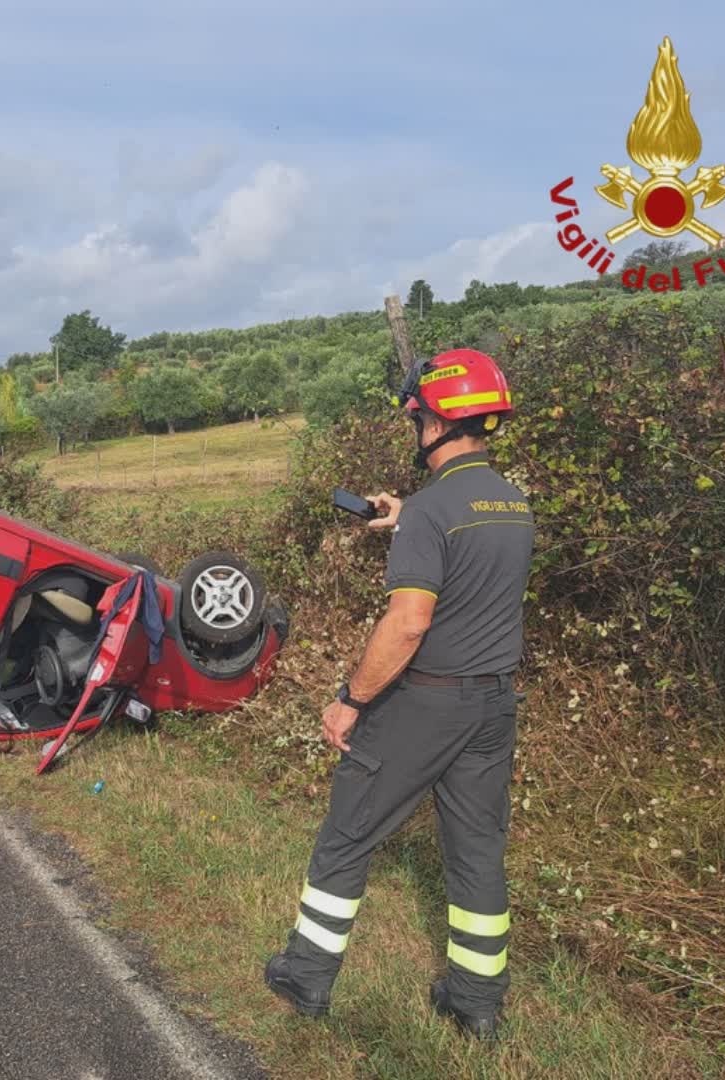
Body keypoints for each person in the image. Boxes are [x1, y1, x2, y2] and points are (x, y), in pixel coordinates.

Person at [264, 349, 534, 1041]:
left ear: (439, 418)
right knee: (476, 849)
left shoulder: (433, 514)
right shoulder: (510, 501)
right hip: (493, 706)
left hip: (423, 703)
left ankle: (306, 975)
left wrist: (350, 699)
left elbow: (409, 621)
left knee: (348, 832)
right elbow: (458, 527)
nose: (415, 430)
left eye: (418, 419)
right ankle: (476, 1002)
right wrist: (404, 514)